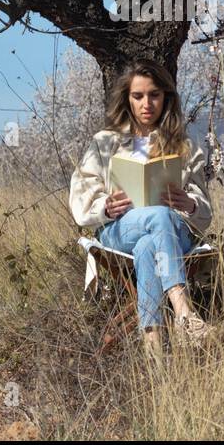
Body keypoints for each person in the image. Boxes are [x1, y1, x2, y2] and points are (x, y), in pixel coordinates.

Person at [68, 58, 214, 363]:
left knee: (152, 241)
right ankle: (185, 313)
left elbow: (204, 211)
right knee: (157, 218)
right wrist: (106, 207)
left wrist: (189, 204)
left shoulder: (186, 147)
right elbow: (81, 201)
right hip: (120, 230)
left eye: (154, 95)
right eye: (138, 96)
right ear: (127, 99)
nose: (146, 103)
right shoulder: (105, 143)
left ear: (166, 98)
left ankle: (154, 351)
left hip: (173, 235)